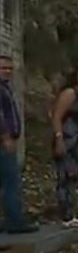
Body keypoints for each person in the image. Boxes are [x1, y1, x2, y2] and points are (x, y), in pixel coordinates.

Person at [51, 64, 78, 227]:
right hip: (66, 139)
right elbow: (56, 116)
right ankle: (65, 215)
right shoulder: (70, 93)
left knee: (73, 177)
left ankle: (70, 214)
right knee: (64, 176)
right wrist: (59, 138)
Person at [0, 55, 37, 233]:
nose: (7, 71)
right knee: (11, 182)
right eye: (3, 68)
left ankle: (8, 220)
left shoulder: (6, 88)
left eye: (9, 68)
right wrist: (6, 137)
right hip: (2, 143)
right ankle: (15, 222)